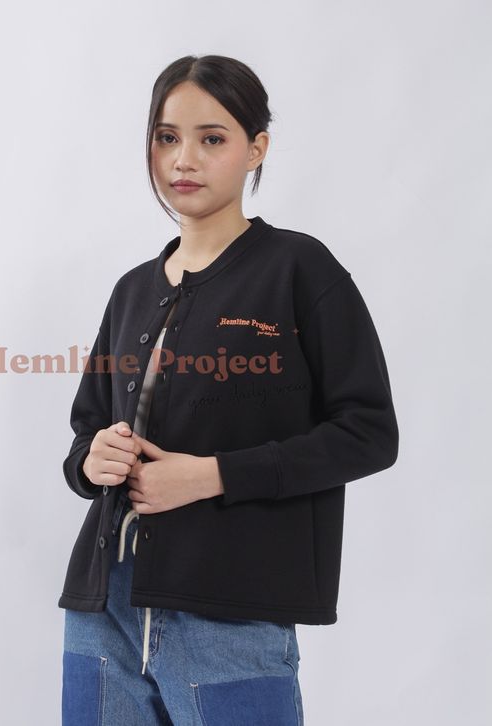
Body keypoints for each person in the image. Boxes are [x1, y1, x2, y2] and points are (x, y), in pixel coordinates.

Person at [58, 54, 399, 726]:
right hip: (103, 614)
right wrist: (90, 461)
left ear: (255, 149)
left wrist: (213, 476)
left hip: (229, 616)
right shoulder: (132, 289)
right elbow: (84, 432)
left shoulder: (299, 269)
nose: (183, 159)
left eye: (211, 138)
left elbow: (368, 432)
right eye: (167, 137)